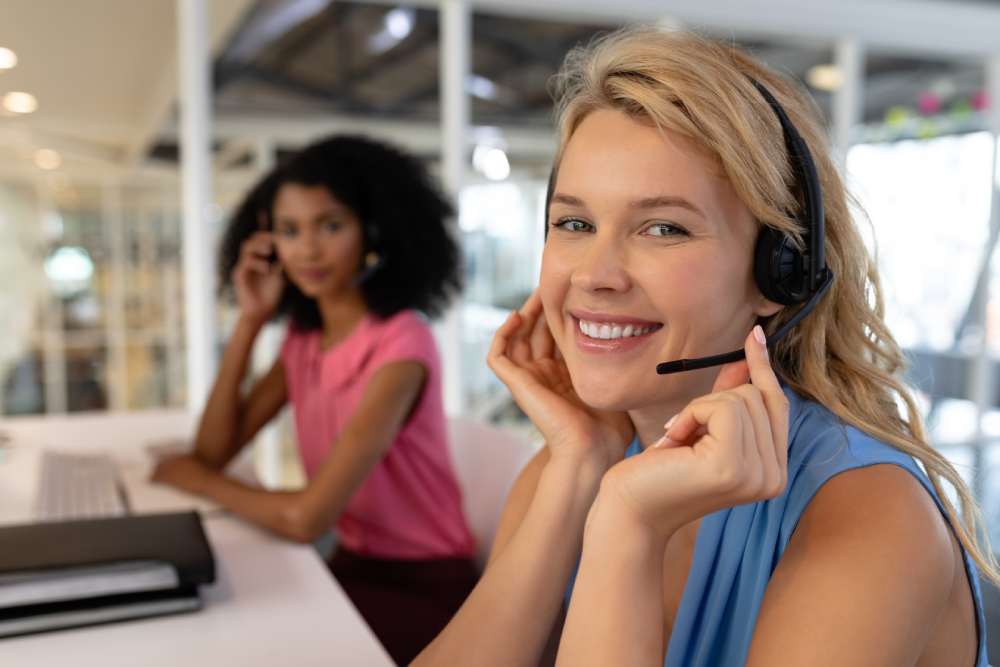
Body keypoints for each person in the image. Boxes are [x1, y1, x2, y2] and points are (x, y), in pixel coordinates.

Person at [415, 27, 996, 667]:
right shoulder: (569, 468)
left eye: (664, 227)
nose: (594, 274)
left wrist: (627, 526)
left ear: (780, 271)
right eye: (575, 223)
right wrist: (580, 466)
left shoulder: (873, 516)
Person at [152, 135, 477, 665]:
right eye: (288, 230)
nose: (307, 249)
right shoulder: (304, 342)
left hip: (425, 582)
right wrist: (251, 320)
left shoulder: (400, 345)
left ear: (371, 230)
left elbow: (305, 517)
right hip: (349, 560)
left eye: (330, 225)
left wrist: (194, 479)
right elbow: (214, 449)